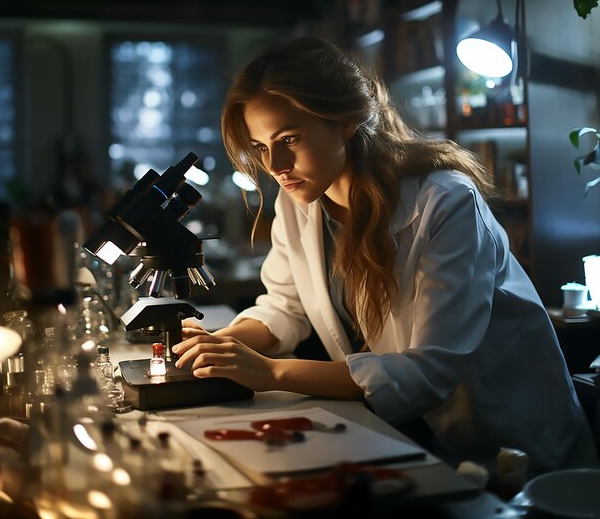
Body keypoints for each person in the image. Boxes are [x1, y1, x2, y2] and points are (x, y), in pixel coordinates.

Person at [172, 36, 598, 474]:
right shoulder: (298, 203)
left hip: (511, 441)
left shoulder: (445, 203)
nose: (275, 164)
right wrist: (224, 345)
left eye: (290, 138)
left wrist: (272, 373)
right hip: (408, 436)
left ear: (345, 121)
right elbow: (285, 308)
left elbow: (429, 370)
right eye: (261, 146)